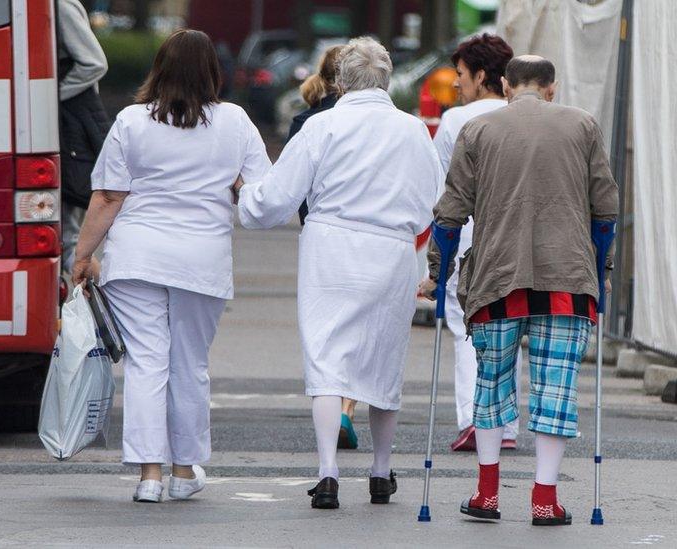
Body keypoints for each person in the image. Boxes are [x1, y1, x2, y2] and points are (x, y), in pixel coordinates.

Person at [236, 37, 440, 509]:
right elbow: (433, 198)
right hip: (391, 249)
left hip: (331, 245)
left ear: (341, 80)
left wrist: (247, 199)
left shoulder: (322, 126)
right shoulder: (412, 132)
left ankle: (328, 470)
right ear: (387, 79)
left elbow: (278, 198)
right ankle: (381, 470)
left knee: (328, 360)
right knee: (384, 360)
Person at [71, 29, 271, 503]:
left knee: (146, 364)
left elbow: (107, 197)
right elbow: (262, 190)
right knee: (190, 366)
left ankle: (149, 477)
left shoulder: (130, 121)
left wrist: (82, 256)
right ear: (212, 72)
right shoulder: (236, 122)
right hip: (202, 259)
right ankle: (185, 471)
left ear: (158, 68)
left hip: (136, 256)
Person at [422, 55, 618, 526]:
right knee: (556, 388)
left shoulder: (479, 130)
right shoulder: (584, 126)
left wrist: (438, 271)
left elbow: (450, 214)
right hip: (567, 281)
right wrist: (601, 270)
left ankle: (487, 494)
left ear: (507, 87)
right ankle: (545, 499)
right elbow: (605, 210)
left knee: (491, 384)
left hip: (496, 278)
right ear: (552, 88)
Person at [432, 34, 521, 453]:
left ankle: (473, 418)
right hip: (518, 234)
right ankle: (507, 424)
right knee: (512, 324)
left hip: (470, 234)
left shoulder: (456, 121)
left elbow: (442, 189)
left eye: (462, 74)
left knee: (464, 326)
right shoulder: (521, 115)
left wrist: (433, 260)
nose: (456, 83)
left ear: (482, 75)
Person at [288, 45, 359, 450]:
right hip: (368, 237)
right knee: (361, 330)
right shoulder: (379, 121)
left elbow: (295, 185)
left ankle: (331, 414)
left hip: (320, 235)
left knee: (327, 333)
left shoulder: (307, 121)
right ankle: (348, 407)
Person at [57, 0, 110, 273]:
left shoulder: (58, 5)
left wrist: (48, 99)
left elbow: (94, 63)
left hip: (71, 132)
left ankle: (110, 307)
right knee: (68, 240)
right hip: (72, 129)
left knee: (69, 241)